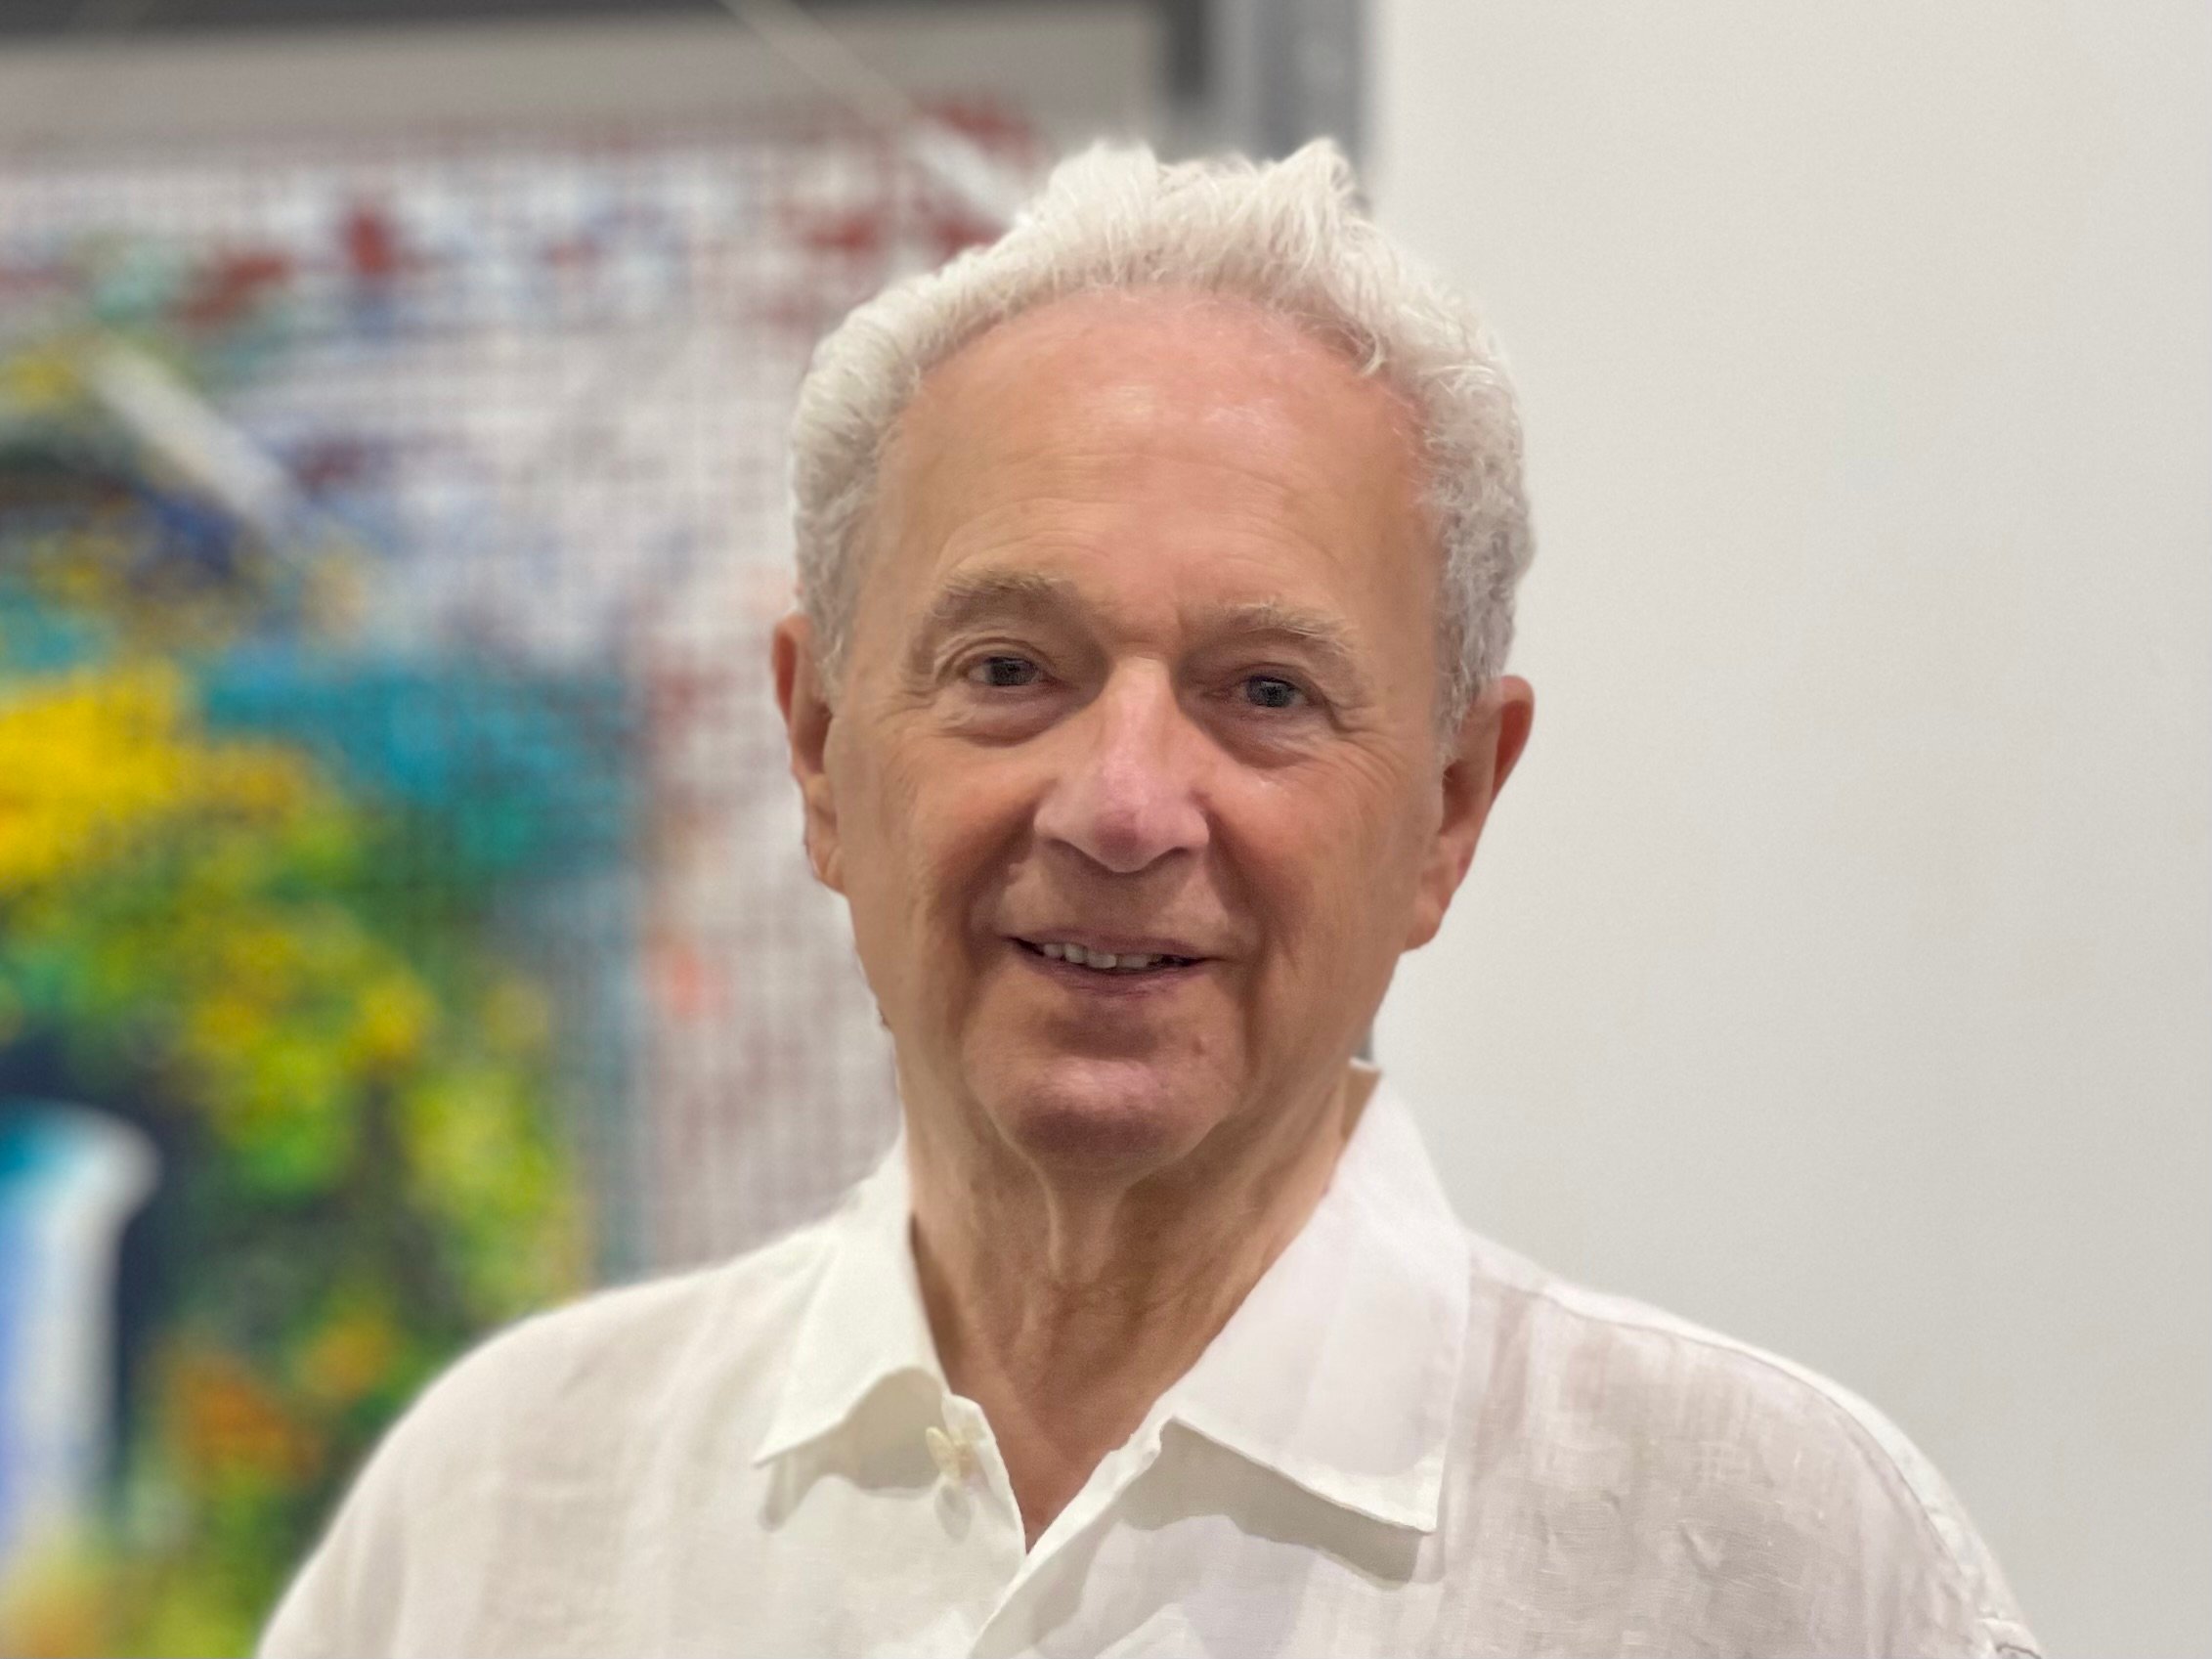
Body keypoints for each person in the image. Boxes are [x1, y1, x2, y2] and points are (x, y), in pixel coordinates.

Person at [259, 141, 2038, 1658]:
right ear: (817, 748)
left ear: (1449, 808)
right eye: (1011, 666)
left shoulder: (1774, 1562)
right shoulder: (490, 1525)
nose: (1122, 805)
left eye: (1265, 690)